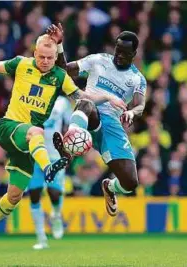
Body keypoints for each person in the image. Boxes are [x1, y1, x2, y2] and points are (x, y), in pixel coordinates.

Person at [0, 34, 126, 249]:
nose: (46, 61)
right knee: (36, 131)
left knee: (14, 197)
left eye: (50, 57)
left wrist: (108, 98)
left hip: (28, 145)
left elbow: (81, 97)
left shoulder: (59, 76)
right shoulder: (21, 64)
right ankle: (48, 167)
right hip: (9, 127)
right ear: (34, 53)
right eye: (41, 57)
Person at [47, 24, 147, 216]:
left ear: (134, 54)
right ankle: (68, 146)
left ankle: (110, 187)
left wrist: (133, 113)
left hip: (111, 124)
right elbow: (63, 71)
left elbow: (140, 105)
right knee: (86, 102)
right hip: (88, 115)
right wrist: (59, 45)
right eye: (117, 50)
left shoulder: (137, 78)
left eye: (125, 53)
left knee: (130, 182)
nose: (119, 55)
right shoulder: (98, 60)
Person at [28, 96, 72, 250]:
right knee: (34, 194)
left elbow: (69, 124)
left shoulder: (62, 102)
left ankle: (57, 214)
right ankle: (41, 238)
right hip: (34, 153)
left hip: (54, 156)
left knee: (53, 193)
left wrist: (66, 147)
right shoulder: (31, 99)